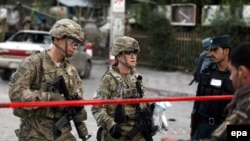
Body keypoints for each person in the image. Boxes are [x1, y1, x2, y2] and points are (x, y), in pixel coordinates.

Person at [9, 19, 88, 141]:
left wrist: (78, 109)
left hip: (63, 134)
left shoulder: (71, 70)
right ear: (58, 38)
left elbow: (77, 97)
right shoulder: (33, 63)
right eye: (73, 41)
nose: (75, 47)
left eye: (77, 43)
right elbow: (15, 94)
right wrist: (48, 98)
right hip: (35, 133)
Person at [161, 42, 250, 141]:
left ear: (242, 71)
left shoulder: (246, 109)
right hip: (203, 124)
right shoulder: (207, 72)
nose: (230, 77)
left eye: (232, 71)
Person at [91, 36, 157, 141]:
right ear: (118, 55)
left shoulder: (137, 78)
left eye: (135, 53)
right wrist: (110, 125)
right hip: (117, 133)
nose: (133, 56)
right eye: (128, 53)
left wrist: (153, 112)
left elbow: (143, 104)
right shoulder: (109, 79)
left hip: (138, 132)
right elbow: (97, 108)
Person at [190, 35, 234, 140]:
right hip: (202, 125)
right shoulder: (207, 72)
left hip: (223, 126)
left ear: (226, 51)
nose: (211, 54)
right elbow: (198, 101)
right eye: (210, 50)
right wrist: (193, 126)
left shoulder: (235, 76)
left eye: (215, 50)